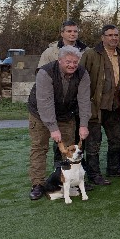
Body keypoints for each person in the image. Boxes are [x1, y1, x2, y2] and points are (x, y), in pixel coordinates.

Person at [28, 46, 90, 200]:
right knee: (39, 147)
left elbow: (84, 101)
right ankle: (38, 184)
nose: (72, 65)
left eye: (75, 62)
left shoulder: (82, 74)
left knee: (70, 149)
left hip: (66, 114)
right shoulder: (45, 73)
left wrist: (83, 124)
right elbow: (45, 103)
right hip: (40, 113)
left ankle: (71, 181)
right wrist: (52, 127)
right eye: (68, 61)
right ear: (59, 60)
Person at [79, 25, 120, 186]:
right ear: (102, 37)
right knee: (94, 143)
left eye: (116, 35)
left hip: (113, 106)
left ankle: (113, 168)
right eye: (110, 35)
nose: (113, 38)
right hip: (94, 106)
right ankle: (94, 174)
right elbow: (80, 78)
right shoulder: (91, 54)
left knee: (118, 139)